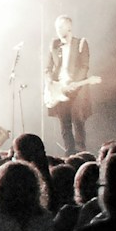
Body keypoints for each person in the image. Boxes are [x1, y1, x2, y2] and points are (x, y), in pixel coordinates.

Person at [44, 15, 94, 154]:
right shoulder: (54, 44)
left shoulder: (81, 43)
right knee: (64, 123)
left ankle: (81, 152)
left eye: (60, 27)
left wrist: (74, 83)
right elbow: (48, 67)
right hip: (59, 89)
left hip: (76, 88)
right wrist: (49, 82)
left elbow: (84, 67)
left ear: (69, 27)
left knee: (78, 120)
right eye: (56, 27)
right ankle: (69, 153)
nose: (58, 30)